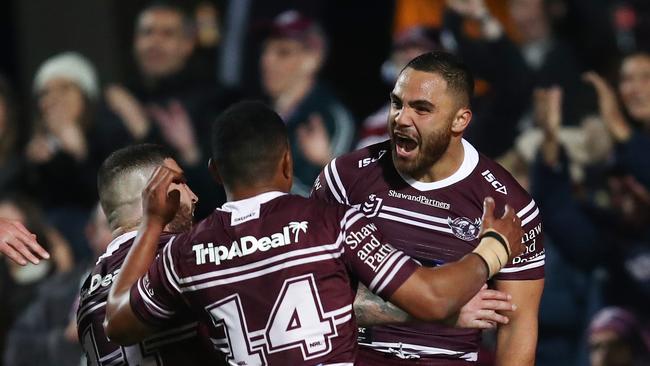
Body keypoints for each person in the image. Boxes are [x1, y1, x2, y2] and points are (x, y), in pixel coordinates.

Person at [103, 101, 524, 365]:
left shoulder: (185, 255)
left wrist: (153, 221)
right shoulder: (331, 222)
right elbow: (433, 297)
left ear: (214, 173)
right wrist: (493, 248)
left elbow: (118, 323)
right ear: (288, 162)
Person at [312, 51, 545, 365]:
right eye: (397, 103)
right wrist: (437, 310)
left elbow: (517, 326)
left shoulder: (508, 207)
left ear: (459, 120)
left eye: (421, 109)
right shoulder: (344, 179)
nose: (401, 118)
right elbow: (310, 298)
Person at [76, 144, 220, 365]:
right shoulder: (185, 254)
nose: (194, 197)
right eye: (181, 184)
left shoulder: (87, 289)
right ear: (155, 194)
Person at [260, 10, 356, 196]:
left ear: (312, 59)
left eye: (283, 52)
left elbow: (336, 201)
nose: (266, 60)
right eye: (264, 50)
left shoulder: (331, 118)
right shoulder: (258, 115)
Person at [3, 205, 111, 366]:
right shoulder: (58, 289)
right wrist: (66, 338)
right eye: (112, 224)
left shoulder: (153, 282)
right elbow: (16, 349)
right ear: (91, 232)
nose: (123, 235)